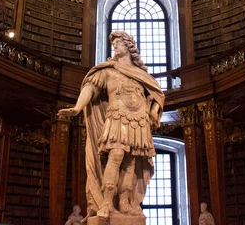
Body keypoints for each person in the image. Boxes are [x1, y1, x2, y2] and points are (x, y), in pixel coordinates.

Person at [58, 31, 165, 219]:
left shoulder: (141, 74)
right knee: (115, 155)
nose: (114, 46)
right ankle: (107, 202)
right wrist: (77, 107)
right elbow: (90, 88)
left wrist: (154, 111)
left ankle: (124, 202)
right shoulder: (107, 70)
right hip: (117, 115)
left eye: (118, 42)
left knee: (131, 163)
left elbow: (158, 95)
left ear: (129, 46)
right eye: (113, 43)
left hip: (138, 119)